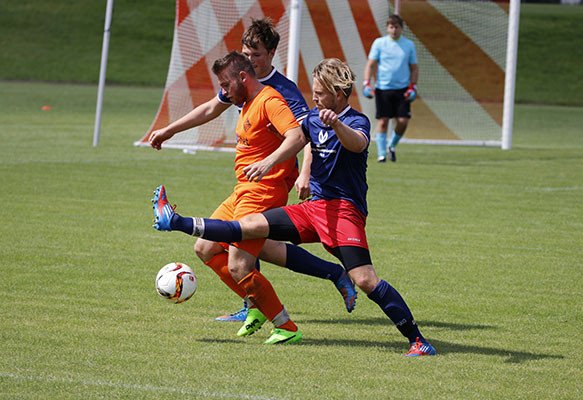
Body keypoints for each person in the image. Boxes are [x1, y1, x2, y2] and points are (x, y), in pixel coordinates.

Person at [153, 58, 436, 356]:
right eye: (314, 91)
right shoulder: (313, 118)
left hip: (344, 212)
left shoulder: (356, 121)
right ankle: (177, 221)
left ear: (339, 94)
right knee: (246, 228)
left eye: (321, 93)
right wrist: (289, 169)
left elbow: (358, 145)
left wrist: (336, 124)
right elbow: (301, 140)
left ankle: (418, 340)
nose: (314, 97)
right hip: (313, 209)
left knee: (365, 280)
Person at [149, 19, 356, 324]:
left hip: (272, 180)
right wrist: (170, 130)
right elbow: (209, 108)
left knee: (240, 251)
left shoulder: (282, 92)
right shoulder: (240, 84)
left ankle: (273, 315)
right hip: (249, 181)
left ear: (272, 53)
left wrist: (305, 173)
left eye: (256, 53)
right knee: (246, 247)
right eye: (246, 52)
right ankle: (284, 291)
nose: (250, 58)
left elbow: (306, 133)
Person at [363, 14, 418, 163]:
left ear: (401, 28)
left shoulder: (409, 45)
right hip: (383, 89)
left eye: (397, 27)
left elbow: (414, 68)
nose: (394, 30)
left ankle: (391, 145)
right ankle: (382, 154)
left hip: (402, 89)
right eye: (391, 27)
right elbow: (370, 64)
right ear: (387, 28)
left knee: (403, 121)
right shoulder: (379, 43)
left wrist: (413, 86)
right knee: (383, 121)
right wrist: (366, 83)